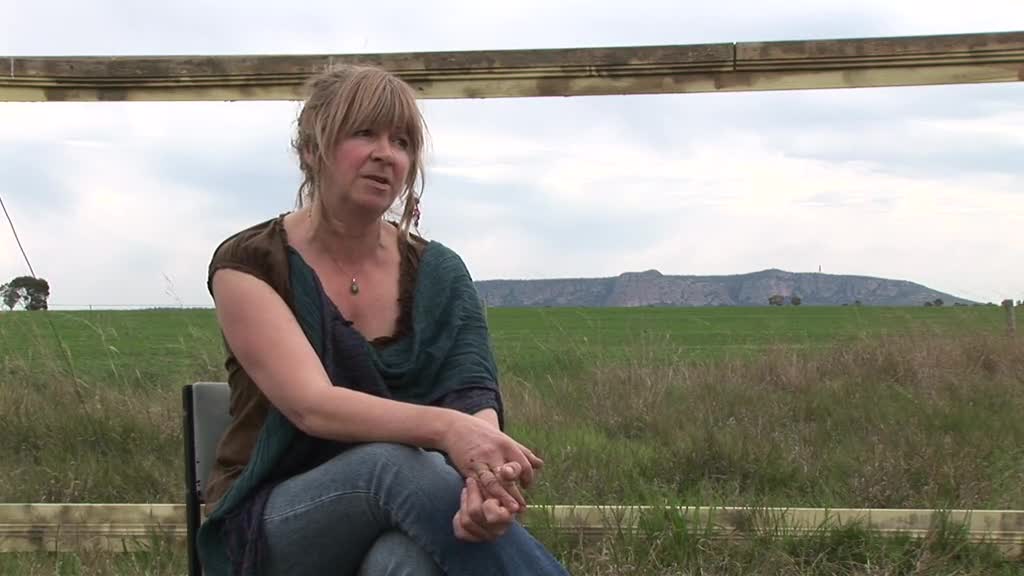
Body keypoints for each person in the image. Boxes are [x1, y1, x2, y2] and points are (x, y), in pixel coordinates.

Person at [198, 65, 569, 576]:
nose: (385, 154)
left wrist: (483, 485)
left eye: (401, 141)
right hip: (274, 527)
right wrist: (448, 435)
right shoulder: (250, 265)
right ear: (311, 149)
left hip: (412, 506)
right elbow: (313, 407)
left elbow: (471, 396)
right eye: (363, 133)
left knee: (404, 563)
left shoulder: (439, 271)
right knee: (389, 466)